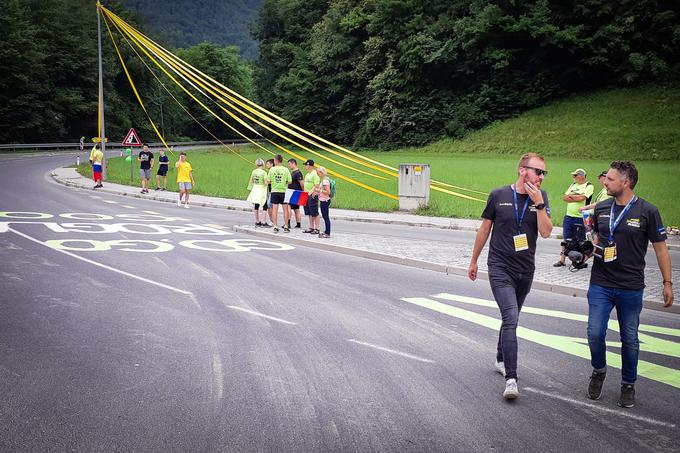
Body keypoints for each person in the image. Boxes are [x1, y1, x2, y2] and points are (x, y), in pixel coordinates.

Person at [586, 161, 674, 408]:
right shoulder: (602, 208)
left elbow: (661, 249)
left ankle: (628, 384)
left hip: (631, 286)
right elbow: (596, 239)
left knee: (630, 338)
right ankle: (599, 370)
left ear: (626, 182)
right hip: (600, 282)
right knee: (594, 333)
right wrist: (583, 252)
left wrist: (667, 283)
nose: (605, 182)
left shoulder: (648, 211)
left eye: (610, 179)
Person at [467, 153, 552, 400]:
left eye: (544, 173)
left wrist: (539, 204)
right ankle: (511, 379)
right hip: (500, 266)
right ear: (523, 170)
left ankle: (500, 358)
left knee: (511, 316)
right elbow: (484, 230)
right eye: (539, 171)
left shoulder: (542, 197)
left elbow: (546, 232)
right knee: (511, 317)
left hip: (525, 269)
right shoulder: (498, 195)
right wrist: (474, 261)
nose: (542, 177)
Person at [554, 168, 593, 267]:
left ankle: (577, 261)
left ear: (581, 176)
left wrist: (572, 197)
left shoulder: (589, 186)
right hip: (569, 216)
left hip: (580, 217)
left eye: (575, 175)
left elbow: (582, 198)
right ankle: (562, 260)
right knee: (566, 239)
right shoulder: (573, 185)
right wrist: (576, 197)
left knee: (579, 240)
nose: (573, 177)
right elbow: (564, 197)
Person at [266, 155, 292, 233]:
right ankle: (286, 226)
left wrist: (274, 181)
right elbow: (290, 181)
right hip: (283, 191)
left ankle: (275, 226)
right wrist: (284, 182)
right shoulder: (286, 169)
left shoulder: (272, 169)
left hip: (274, 191)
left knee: (275, 209)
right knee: (285, 209)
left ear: (275, 160)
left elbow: (268, 181)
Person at [247, 159, 269, 226]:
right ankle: (263, 221)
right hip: (262, 189)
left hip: (255, 188)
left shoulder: (254, 171)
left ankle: (257, 221)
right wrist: (269, 182)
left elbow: (251, 181)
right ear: (263, 164)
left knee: (256, 205)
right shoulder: (264, 172)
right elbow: (265, 182)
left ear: (256, 164)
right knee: (265, 205)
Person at [303, 159, 320, 234]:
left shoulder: (315, 174)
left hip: (312, 195)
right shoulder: (307, 174)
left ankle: (317, 228)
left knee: (315, 212)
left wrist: (311, 192)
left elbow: (316, 185)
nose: (305, 167)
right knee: (309, 212)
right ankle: (311, 227)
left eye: (306, 165)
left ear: (309, 165)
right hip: (306, 194)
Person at [286, 158, 305, 229]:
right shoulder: (293, 172)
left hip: (294, 192)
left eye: (289, 164)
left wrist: (303, 192)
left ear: (294, 163)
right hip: (293, 192)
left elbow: (302, 183)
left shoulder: (298, 173)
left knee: (289, 207)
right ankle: (298, 224)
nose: (289, 166)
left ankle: (288, 223)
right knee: (296, 208)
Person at [315, 166, 332, 238]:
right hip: (324, 200)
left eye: (318, 173)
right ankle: (326, 231)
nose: (317, 174)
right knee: (325, 216)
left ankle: (327, 232)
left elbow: (328, 192)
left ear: (321, 173)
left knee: (326, 217)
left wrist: (319, 190)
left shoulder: (325, 181)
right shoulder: (325, 179)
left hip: (325, 200)